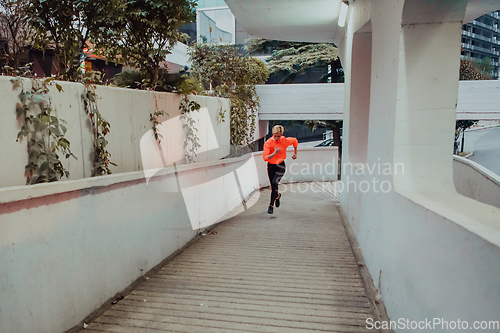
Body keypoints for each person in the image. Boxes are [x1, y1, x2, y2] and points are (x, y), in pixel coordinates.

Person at [263, 125, 298, 214]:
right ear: (272, 134)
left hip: (281, 166)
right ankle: (277, 196)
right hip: (271, 166)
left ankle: (271, 205)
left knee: (275, 182)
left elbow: (295, 141)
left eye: (278, 136)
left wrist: (295, 153)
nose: (277, 138)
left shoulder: (285, 141)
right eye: (275, 136)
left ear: (281, 135)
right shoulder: (268, 142)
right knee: (273, 186)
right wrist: (274, 153)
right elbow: (265, 158)